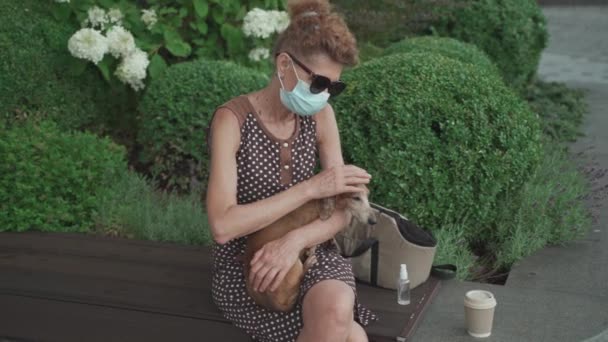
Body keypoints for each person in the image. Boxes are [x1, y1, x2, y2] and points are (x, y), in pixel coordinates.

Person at [205, 0, 379, 341]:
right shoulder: (233, 120)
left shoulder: (322, 116)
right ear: (284, 65)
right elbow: (222, 226)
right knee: (351, 335)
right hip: (248, 263)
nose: (324, 96)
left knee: (337, 306)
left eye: (334, 87)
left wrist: (294, 240)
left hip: (312, 248)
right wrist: (311, 189)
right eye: (318, 84)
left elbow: (344, 211)